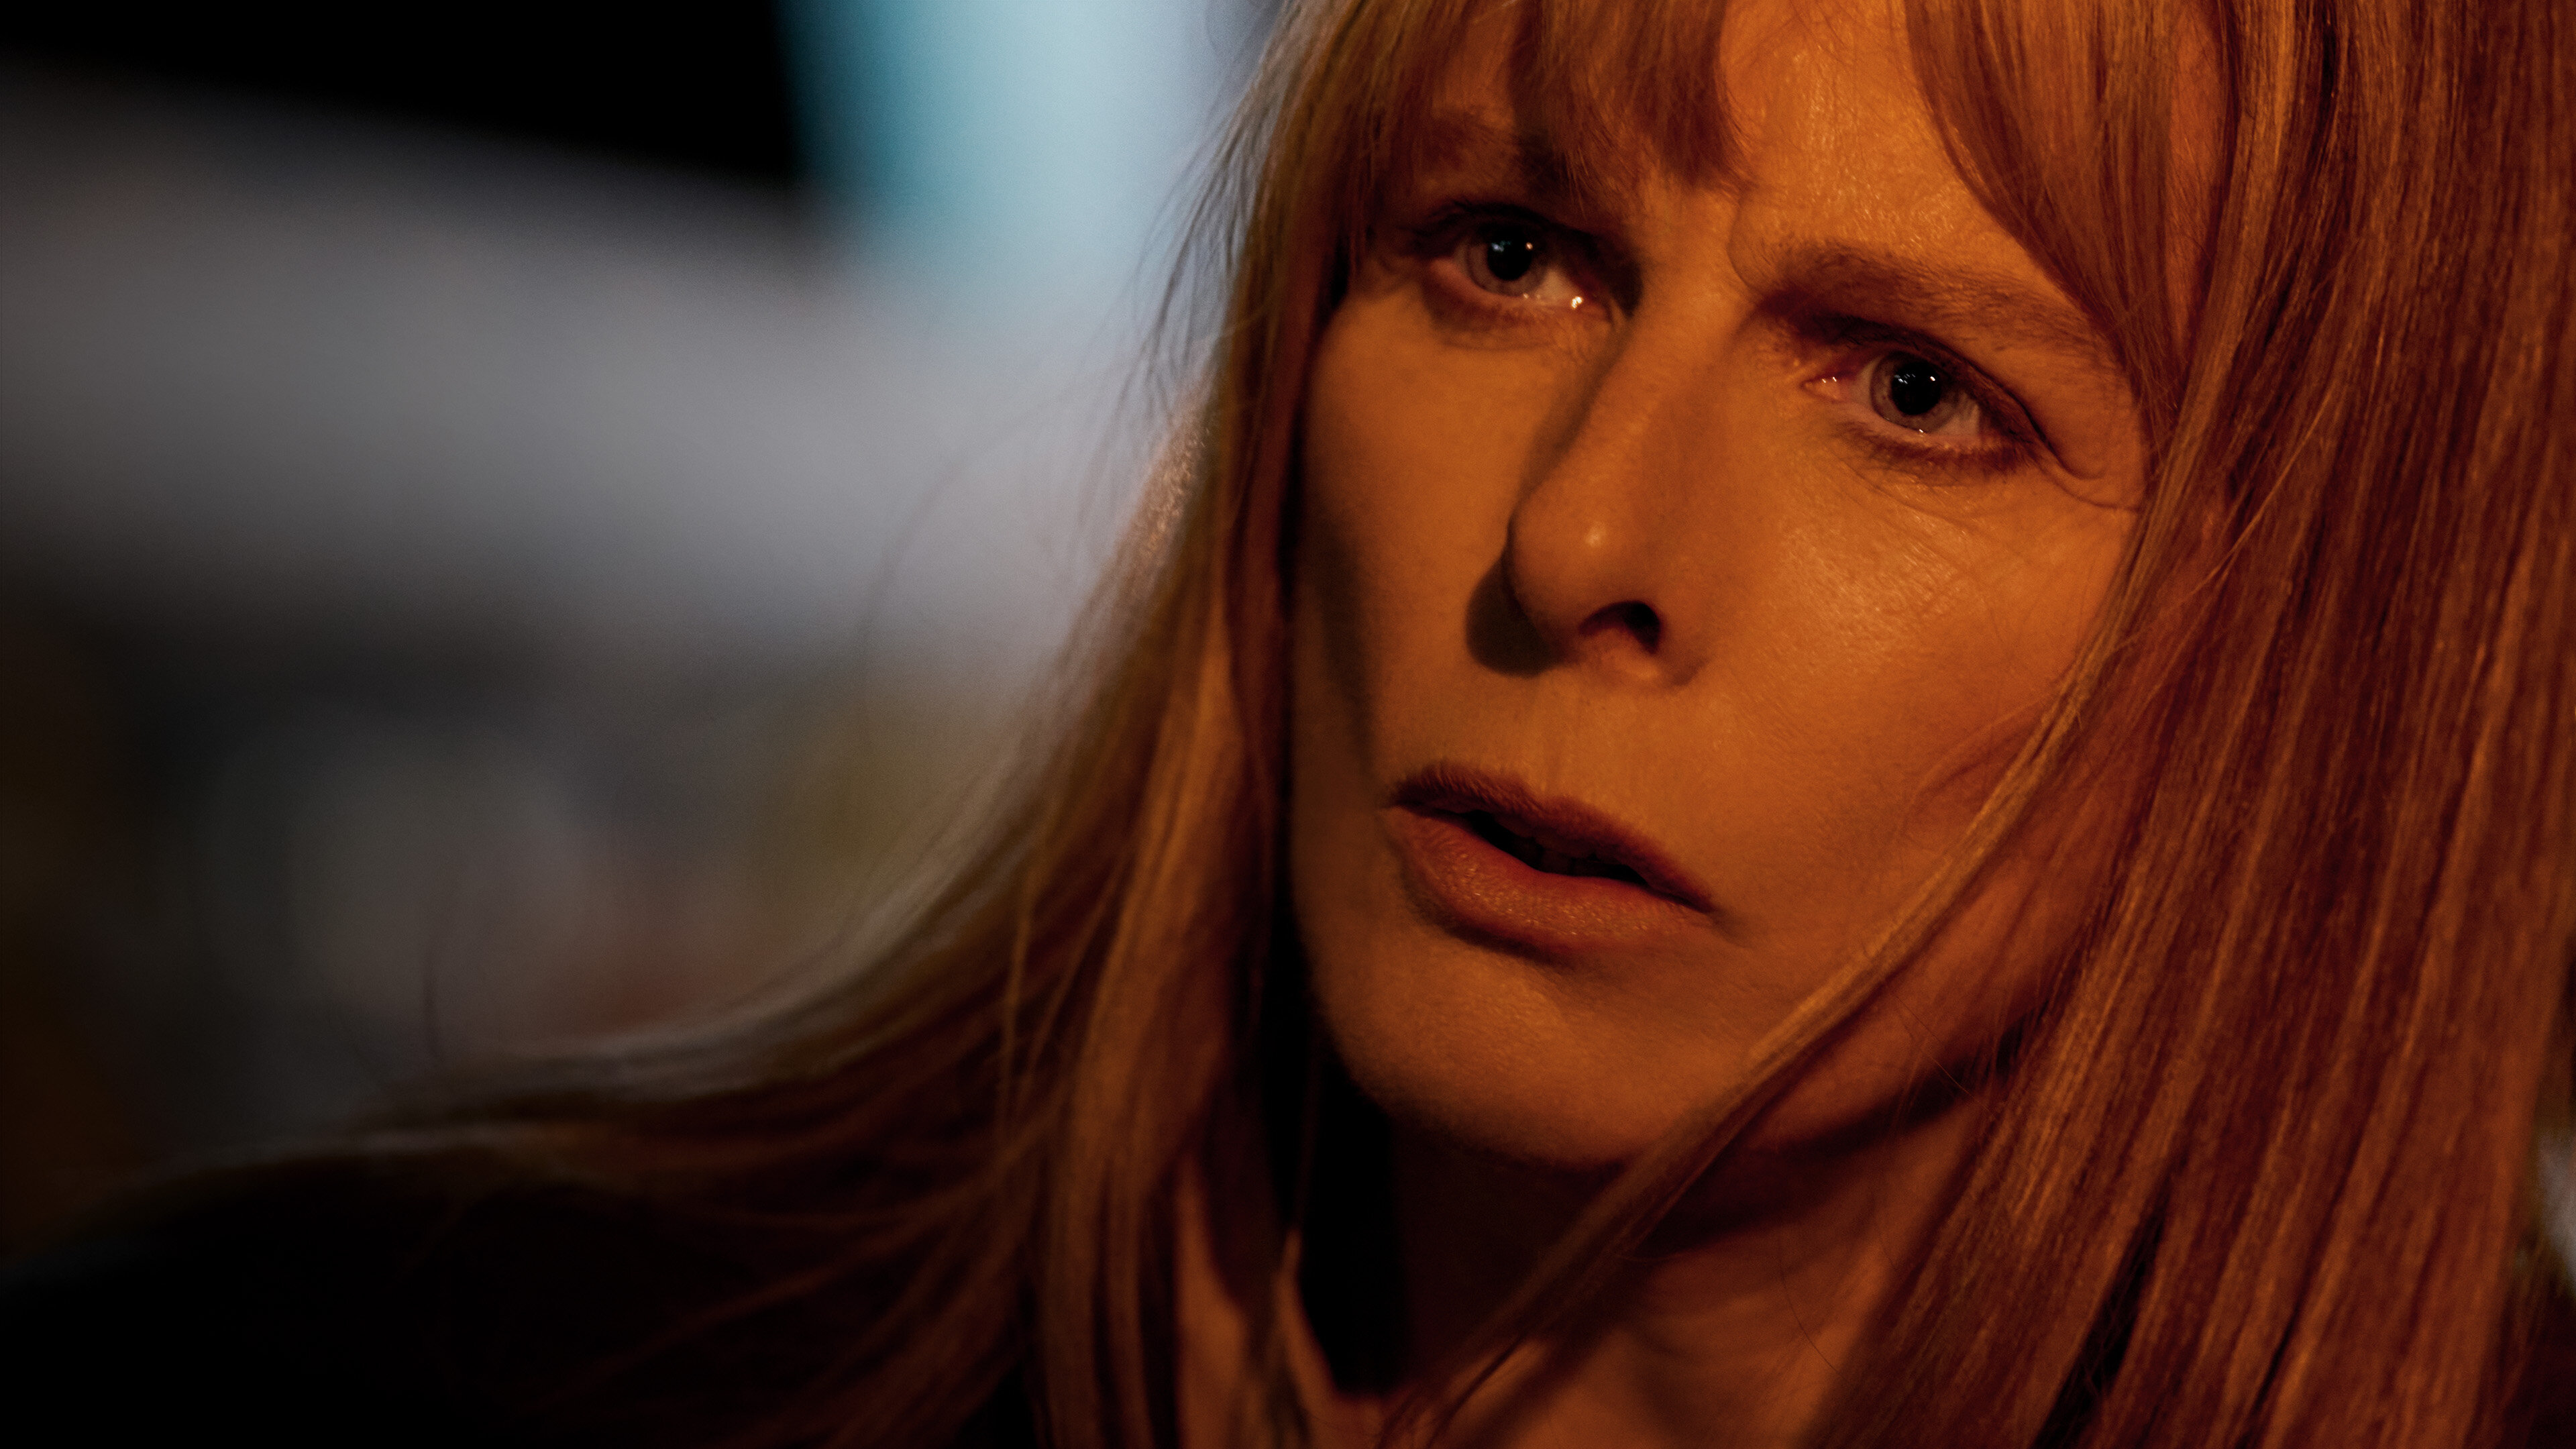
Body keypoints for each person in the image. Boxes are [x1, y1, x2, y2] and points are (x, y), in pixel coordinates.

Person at [5, 0, 2569, 1445]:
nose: (1576, 540)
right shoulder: (332, 1390)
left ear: (2342, 639)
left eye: (1914, 390)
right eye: (1511, 253)